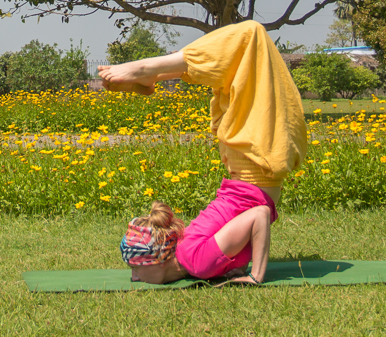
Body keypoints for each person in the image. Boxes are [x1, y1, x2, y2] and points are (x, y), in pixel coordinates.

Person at [98, 21, 307, 286]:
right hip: (248, 163)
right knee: (241, 65)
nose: (133, 277)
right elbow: (250, 223)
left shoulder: (196, 262)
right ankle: (153, 73)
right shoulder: (194, 259)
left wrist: (256, 275)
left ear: (157, 261)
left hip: (253, 164)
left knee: (251, 37)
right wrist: (234, 268)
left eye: (135, 268)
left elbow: (260, 214)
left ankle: (150, 70)